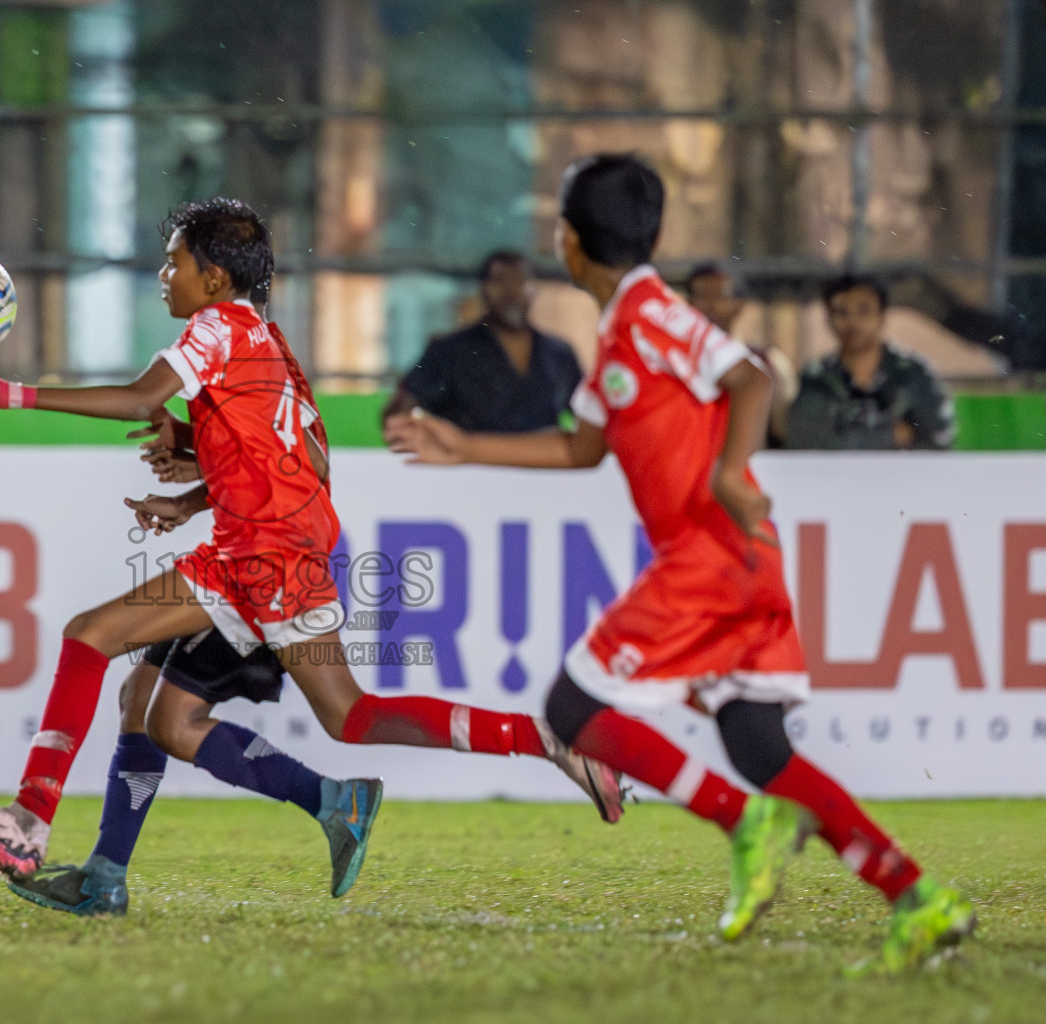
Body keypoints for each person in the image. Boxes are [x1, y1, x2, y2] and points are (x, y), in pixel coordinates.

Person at [0, 198, 623, 905]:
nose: (164, 274)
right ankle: (128, 870)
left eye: (175, 261)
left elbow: (141, 400)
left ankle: (27, 822)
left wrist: (10, 392)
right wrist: (196, 485)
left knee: (93, 638)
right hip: (276, 548)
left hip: (259, 558)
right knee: (174, 710)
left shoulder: (214, 328)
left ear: (215, 278)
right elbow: (307, 461)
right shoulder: (267, 341)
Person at [386, 154, 974, 974]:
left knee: (569, 706)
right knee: (758, 744)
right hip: (742, 563)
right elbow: (580, 446)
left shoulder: (650, 313)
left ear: (566, 240)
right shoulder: (622, 332)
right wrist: (463, 447)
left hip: (707, 557)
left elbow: (750, 377)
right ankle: (916, 897)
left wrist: (732, 472)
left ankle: (743, 822)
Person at [381, 251, 583, 436]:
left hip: (544, 469)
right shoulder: (449, 350)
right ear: (483, 289)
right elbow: (396, 416)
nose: (510, 291)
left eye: (520, 281)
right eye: (499, 281)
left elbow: (588, 418)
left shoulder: (559, 353)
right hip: (468, 469)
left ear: (535, 288)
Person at [785, 274, 955, 450]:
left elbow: (938, 441)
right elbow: (803, 443)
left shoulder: (914, 375)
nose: (852, 321)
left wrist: (845, 436)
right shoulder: (816, 379)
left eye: (863, 310)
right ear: (828, 317)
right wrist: (891, 435)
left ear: (881, 316)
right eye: (841, 311)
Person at [684, 263, 797, 447]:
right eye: (702, 296)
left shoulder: (768, 363)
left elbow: (781, 430)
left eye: (721, 295)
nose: (711, 305)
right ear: (689, 303)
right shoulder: (673, 361)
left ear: (740, 303)